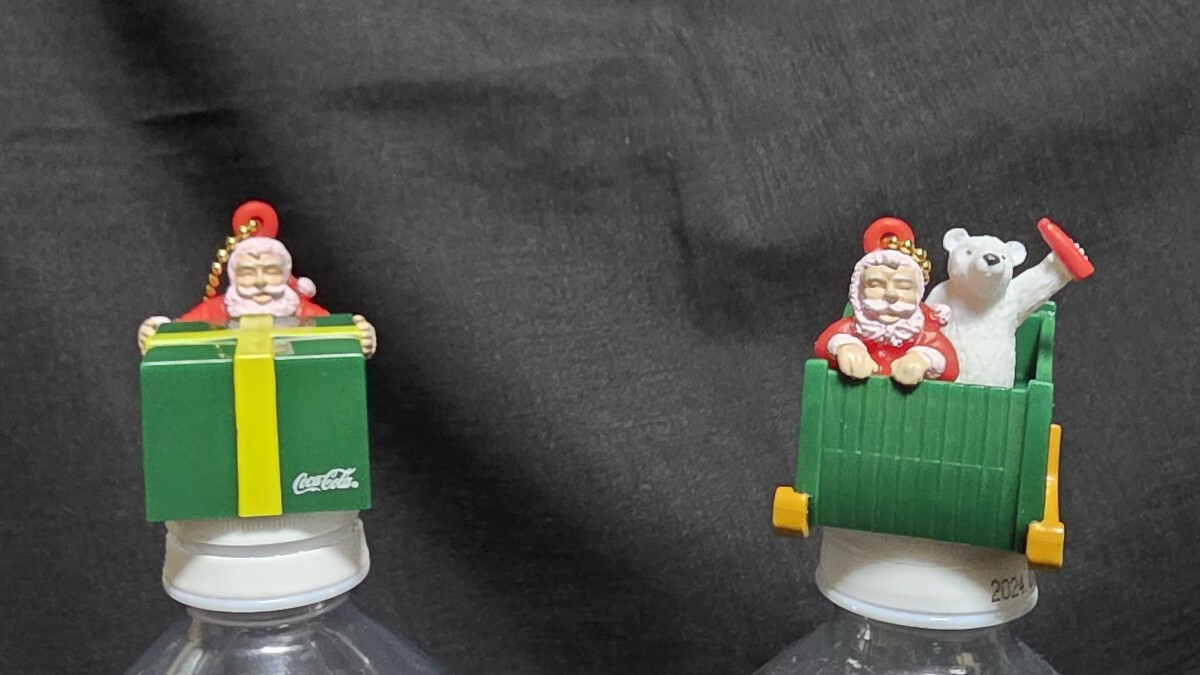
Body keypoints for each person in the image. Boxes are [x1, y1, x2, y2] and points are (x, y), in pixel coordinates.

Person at [814, 220, 958, 386]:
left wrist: (923, 359)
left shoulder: (924, 335)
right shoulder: (852, 329)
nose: (890, 294)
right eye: (876, 284)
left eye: (903, 287)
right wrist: (846, 347)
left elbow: (950, 365)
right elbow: (823, 345)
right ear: (858, 292)